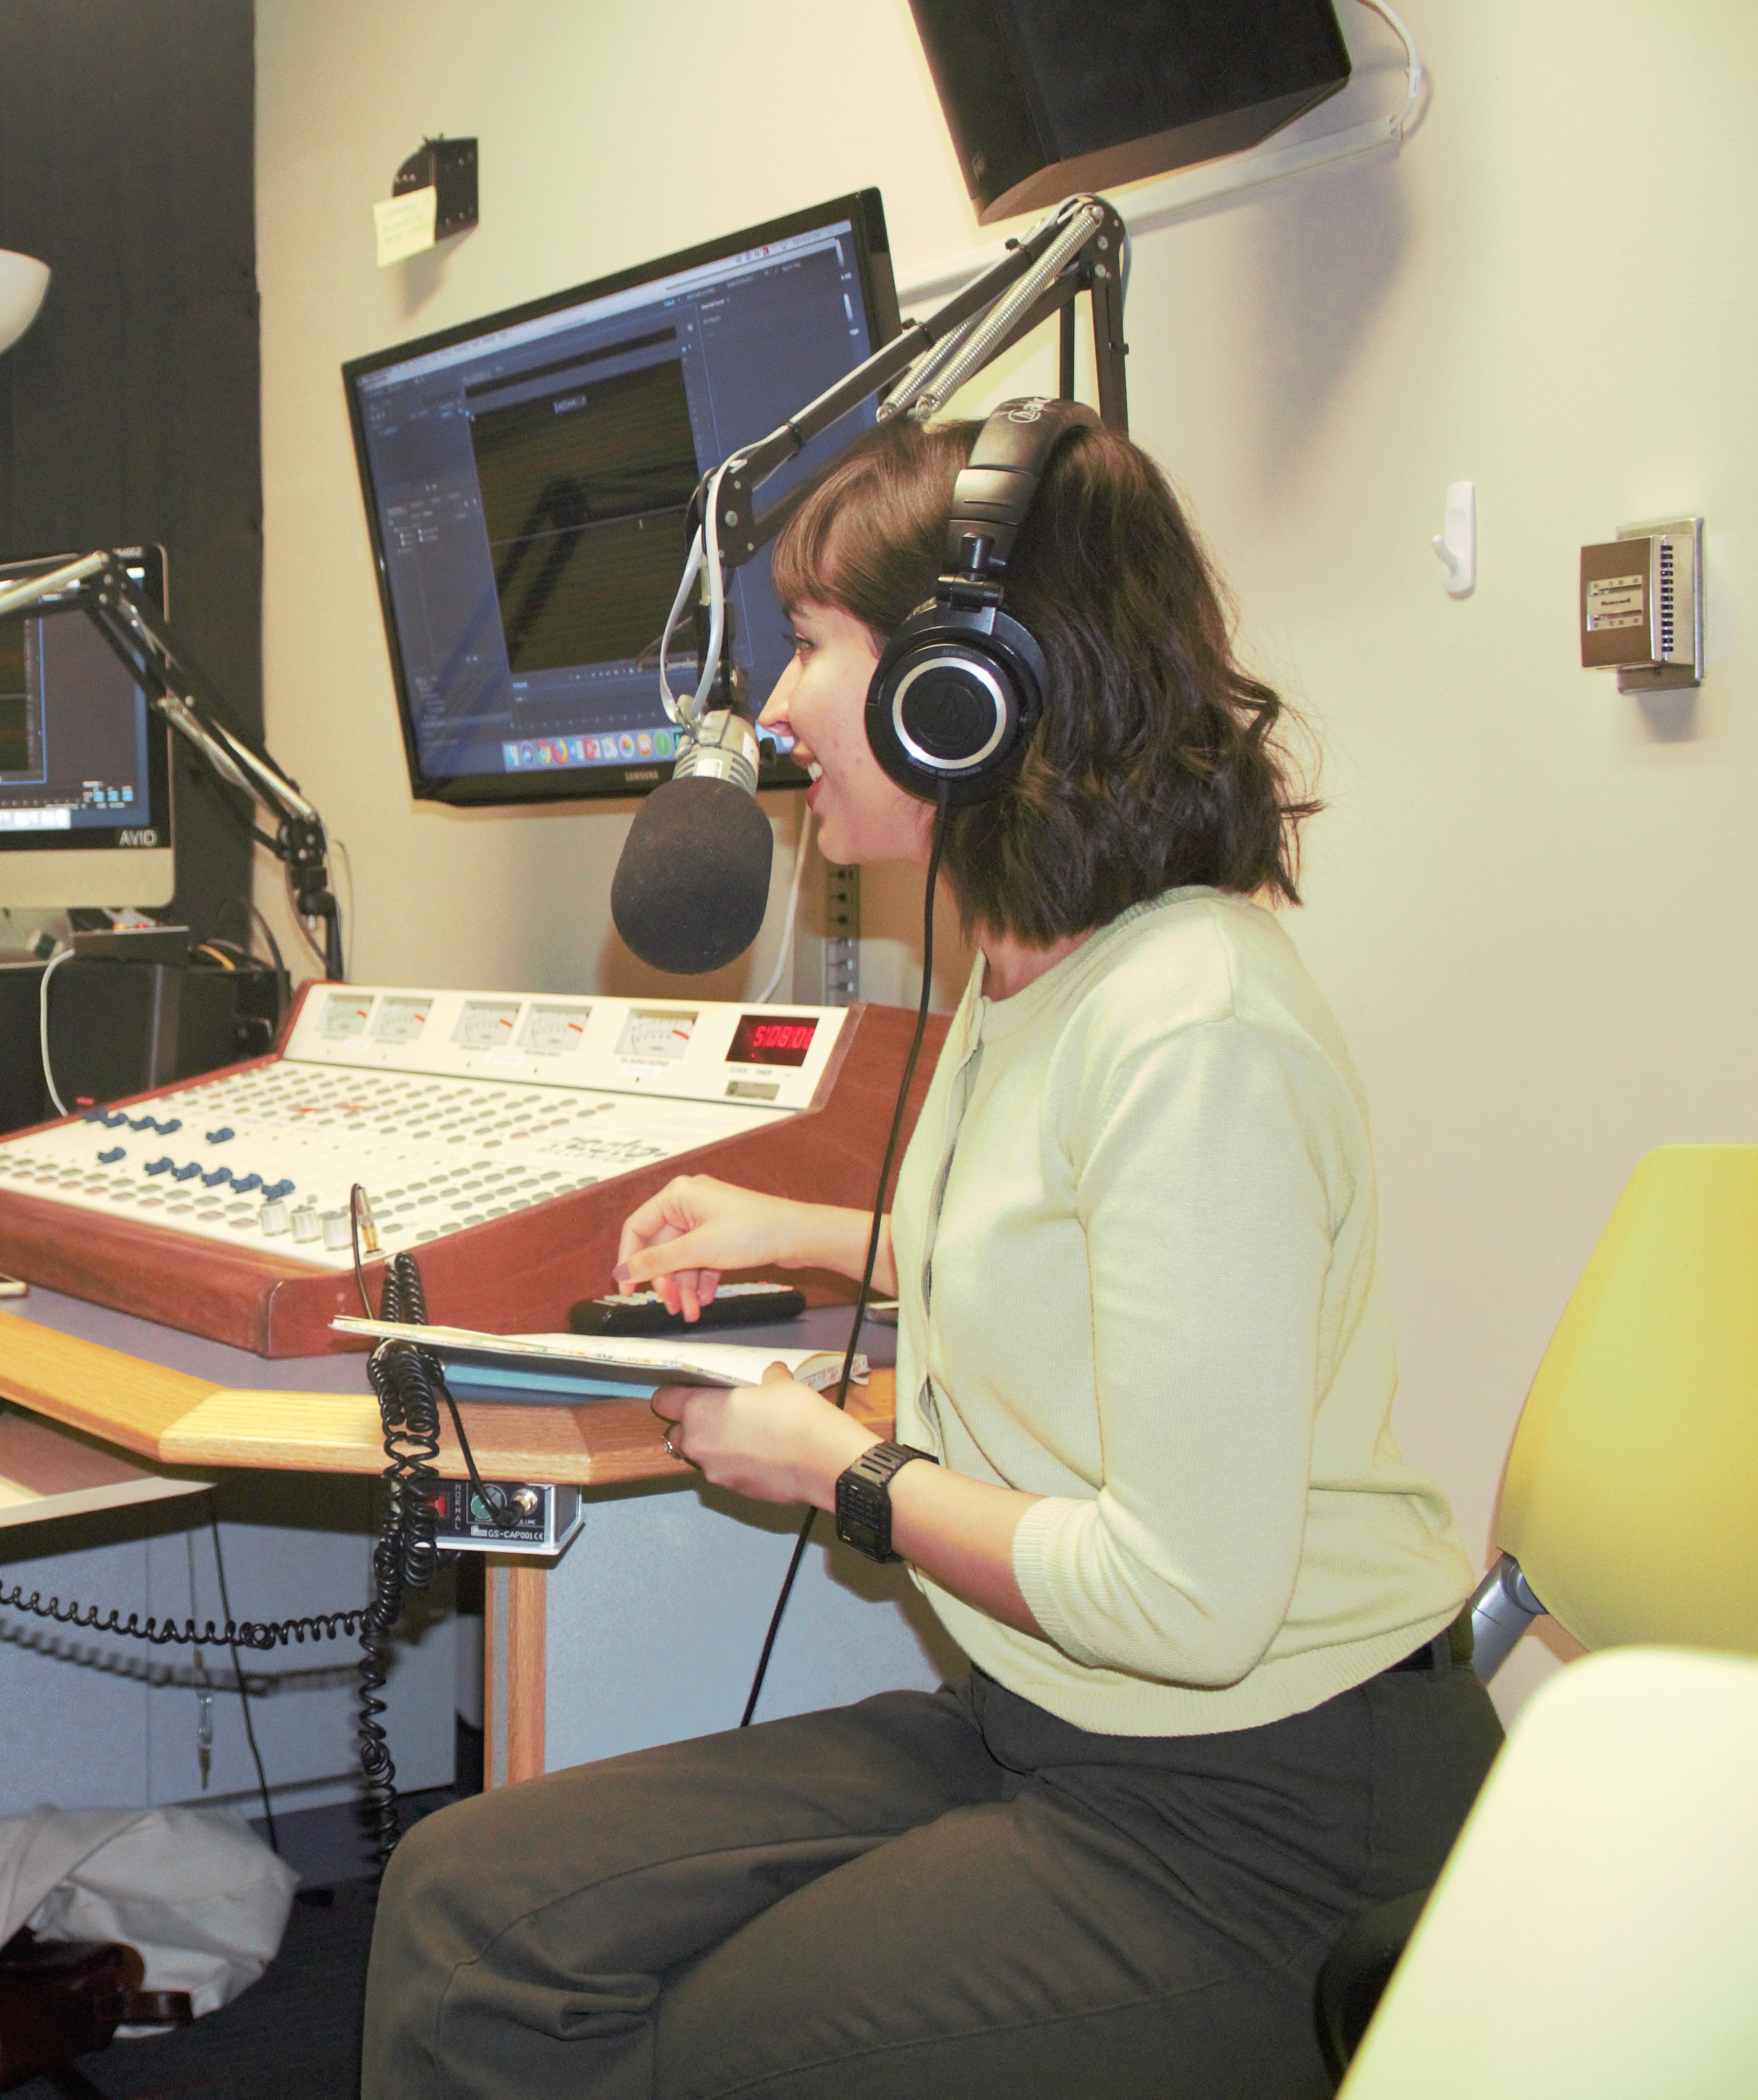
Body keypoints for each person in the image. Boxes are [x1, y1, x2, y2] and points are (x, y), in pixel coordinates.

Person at [360, 417, 1500, 2098]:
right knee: (473, 1906)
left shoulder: (1196, 1027)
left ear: (970, 688)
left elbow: (1187, 1605)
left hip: (1271, 1809)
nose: (779, 707)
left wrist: (849, 1473)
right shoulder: (1026, 948)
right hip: (1050, 1733)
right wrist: (809, 1233)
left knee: (721, 2053)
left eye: (817, 644)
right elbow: (1071, 1239)